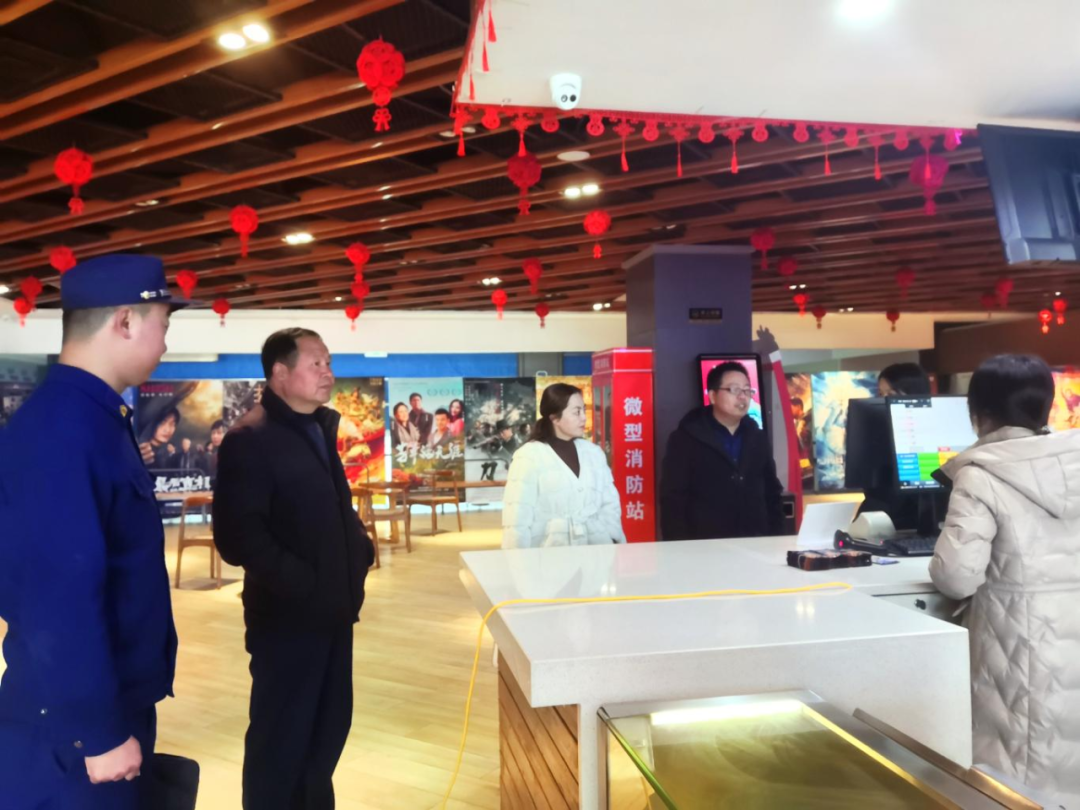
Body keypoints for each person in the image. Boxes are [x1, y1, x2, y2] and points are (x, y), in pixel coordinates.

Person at [0, 254, 181, 809]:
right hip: (71, 734)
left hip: (107, 706)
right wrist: (96, 731)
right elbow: (56, 594)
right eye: (163, 325)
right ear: (125, 321)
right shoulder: (60, 429)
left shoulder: (94, 418)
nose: (166, 343)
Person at [212, 327, 375, 810]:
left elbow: (336, 508)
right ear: (280, 374)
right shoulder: (250, 438)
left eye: (329, 363)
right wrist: (305, 583)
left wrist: (359, 551)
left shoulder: (318, 428)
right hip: (287, 621)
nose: (328, 373)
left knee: (325, 735)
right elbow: (238, 538)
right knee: (280, 743)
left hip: (333, 613)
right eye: (316, 363)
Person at [929, 355, 1080, 804]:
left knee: (1018, 777)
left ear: (977, 413)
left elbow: (956, 577)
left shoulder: (981, 474)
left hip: (1018, 643)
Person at [661, 361, 783, 540]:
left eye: (747, 390)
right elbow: (673, 499)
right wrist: (679, 547)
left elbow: (771, 491)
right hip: (705, 544)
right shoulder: (686, 438)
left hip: (755, 542)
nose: (742, 397)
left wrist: (777, 537)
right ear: (712, 396)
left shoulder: (757, 437)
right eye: (734, 390)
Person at [502, 383, 625, 548]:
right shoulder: (529, 456)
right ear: (555, 418)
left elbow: (610, 503)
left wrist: (613, 537)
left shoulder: (593, 453)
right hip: (549, 555)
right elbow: (517, 517)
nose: (584, 418)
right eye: (576, 412)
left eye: (584, 410)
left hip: (597, 552)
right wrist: (517, 559)